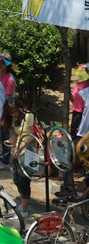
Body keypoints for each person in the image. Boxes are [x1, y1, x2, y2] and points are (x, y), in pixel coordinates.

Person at [54, 63, 89, 204]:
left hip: (83, 137)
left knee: (66, 158)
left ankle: (69, 190)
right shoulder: (81, 92)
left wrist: (71, 134)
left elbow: (76, 118)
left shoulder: (83, 94)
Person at [2, 98, 33, 218]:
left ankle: (24, 210)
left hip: (27, 153)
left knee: (24, 181)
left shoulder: (28, 116)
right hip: (17, 153)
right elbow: (16, 134)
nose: (14, 115)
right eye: (11, 113)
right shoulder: (17, 119)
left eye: (15, 112)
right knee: (16, 179)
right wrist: (10, 141)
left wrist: (21, 146)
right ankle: (24, 204)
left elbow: (33, 136)